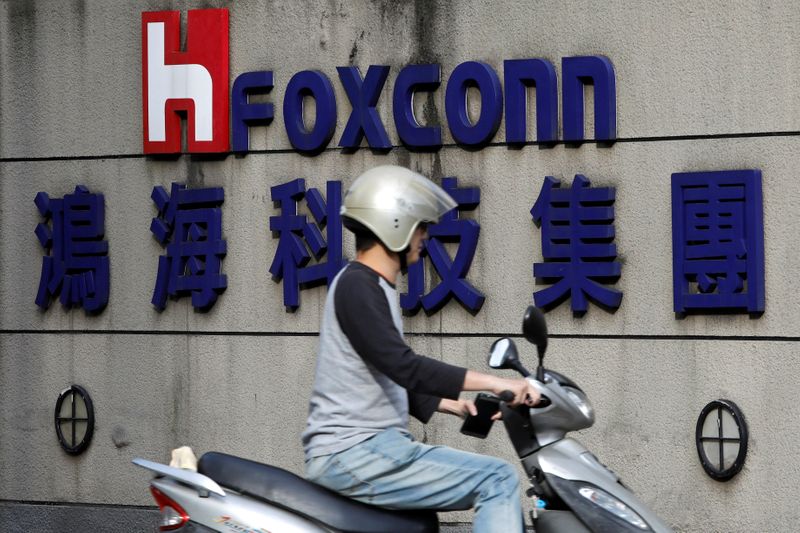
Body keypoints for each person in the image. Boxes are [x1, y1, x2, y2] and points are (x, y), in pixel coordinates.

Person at [302, 165, 539, 533]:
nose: (425, 235)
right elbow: (403, 365)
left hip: (364, 450)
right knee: (497, 479)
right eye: (419, 225)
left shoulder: (371, 286)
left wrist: (453, 405)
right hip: (354, 451)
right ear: (393, 225)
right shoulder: (357, 286)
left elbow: (385, 370)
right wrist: (495, 383)